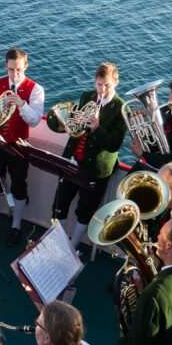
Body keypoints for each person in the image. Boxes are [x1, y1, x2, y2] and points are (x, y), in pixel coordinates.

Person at [48, 62, 126, 249]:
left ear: (116, 82)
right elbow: (75, 126)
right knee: (59, 204)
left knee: (85, 210)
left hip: (97, 169)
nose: (102, 90)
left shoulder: (122, 109)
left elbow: (114, 144)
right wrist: (65, 125)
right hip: (73, 161)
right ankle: (58, 242)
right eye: (99, 84)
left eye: (107, 85)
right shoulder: (86, 96)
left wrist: (97, 128)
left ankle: (73, 247)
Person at [0, 48, 45, 246]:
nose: (14, 74)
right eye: (10, 70)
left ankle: (16, 226)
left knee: (18, 186)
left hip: (19, 145)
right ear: (6, 67)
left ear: (26, 66)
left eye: (18, 69)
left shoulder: (36, 89)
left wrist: (21, 104)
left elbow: (34, 120)